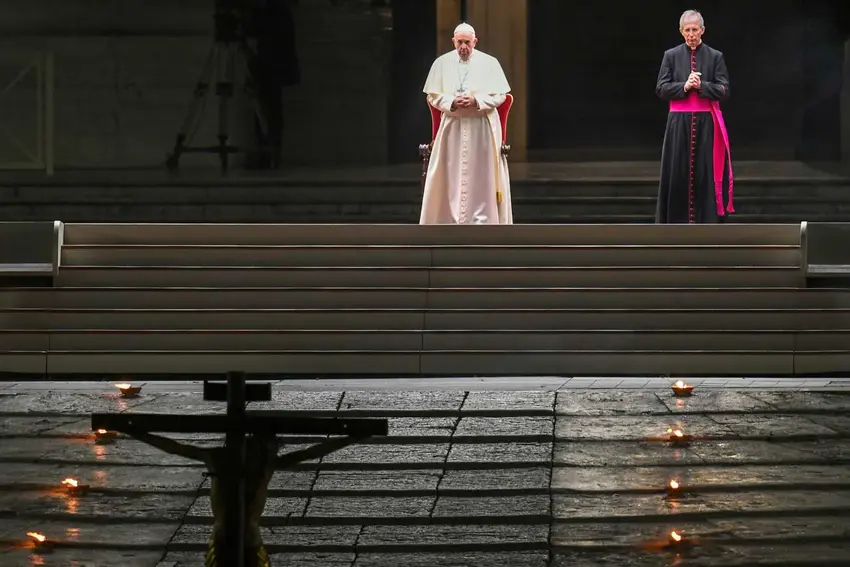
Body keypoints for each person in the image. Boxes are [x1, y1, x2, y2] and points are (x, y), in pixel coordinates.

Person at [420, 22, 513, 225]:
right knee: (451, 177)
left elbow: (501, 97)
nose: (464, 47)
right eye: (460, 42)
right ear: (453, 41)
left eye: (468, 43)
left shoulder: (490, 63)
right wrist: (451, 102)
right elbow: (433, 97)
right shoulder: (442, 64)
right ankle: (447, 220)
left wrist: (477, 101)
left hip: (482, 129)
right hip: (452, 127)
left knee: (482, 179)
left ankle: (483, 222)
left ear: (475, 42)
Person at [655, 10, 734, 224]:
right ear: (681, 32)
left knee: (705, 174)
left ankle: (707, 223)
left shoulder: (715, 56)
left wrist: (703, 86)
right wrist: (684, 86)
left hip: (707, 125)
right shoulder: (670, 56)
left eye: (695, 29)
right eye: (687, 30)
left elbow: (725, 90)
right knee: (677, 173)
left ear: (702, 30)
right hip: (678, 125)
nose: (691, 34)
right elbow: (661, 89)